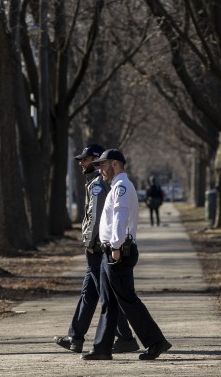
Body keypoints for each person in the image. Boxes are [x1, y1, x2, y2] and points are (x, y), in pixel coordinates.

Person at [82, 149, 172, 361]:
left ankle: (156, 341)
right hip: (110, 251)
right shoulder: (115, 187)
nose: (101, 170)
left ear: (114, 164)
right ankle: (102, 347)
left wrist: (115, 248)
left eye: (103, 166)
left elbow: (120, 220)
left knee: (127, 300)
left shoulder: (121, 187)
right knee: (109, 302)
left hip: (118, 252)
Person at [53, 144, 139, 354]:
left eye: (85, 159)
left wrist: (90, 242)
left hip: (98, 247)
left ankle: (125, 337)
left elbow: (97, 217)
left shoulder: (99, 185)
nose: (82, 163)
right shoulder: (97, 182)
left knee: (105, 295)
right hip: (99, 246)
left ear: (95, 159)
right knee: (90, 293)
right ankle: (76, 337)